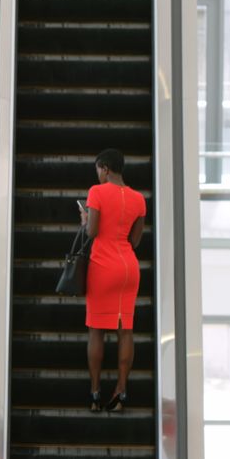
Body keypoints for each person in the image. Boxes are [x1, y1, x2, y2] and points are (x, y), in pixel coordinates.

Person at [78, 148, 146, 413]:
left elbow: (93, 232)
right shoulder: (139, 199)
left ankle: (95, 393)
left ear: (104, 168)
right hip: (128, 268)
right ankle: (121, 391)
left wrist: (85, 220)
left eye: (98, 169)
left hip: (103, 266)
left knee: (96, 330)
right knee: (125, 329)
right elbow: (135, 241)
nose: (98, 174)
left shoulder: (97, 191)